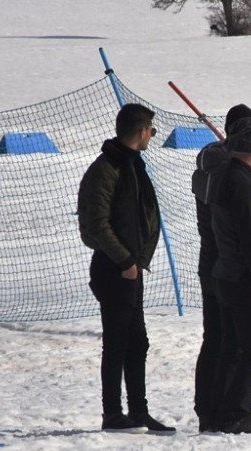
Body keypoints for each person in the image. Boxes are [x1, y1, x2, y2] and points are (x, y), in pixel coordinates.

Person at [78, 102, 174, 433]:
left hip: (131, 267)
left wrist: (135, 261)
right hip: (114, 268)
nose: (152, 136)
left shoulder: (132, 165)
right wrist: (125, 260)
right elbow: (96, 224)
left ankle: (138, 411)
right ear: (141, 131)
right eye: (151, 130)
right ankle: (112, 414)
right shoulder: (107, 169)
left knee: (137, 342)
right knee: (118, 342)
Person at [209, 117, 251, 434]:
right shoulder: (241, 185)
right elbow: (250, 239)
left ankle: (221, 411)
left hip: (226, 274)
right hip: (245, 279)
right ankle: (235, 413)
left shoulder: (225, 176)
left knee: (232, 348)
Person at [192, 103, 251, 433]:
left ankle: (213, 407)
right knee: (226, 340)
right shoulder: (217, 164)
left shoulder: (222, 164)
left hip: (216, 264)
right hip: (222, 265)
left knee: (221, 339)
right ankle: (216, 409)